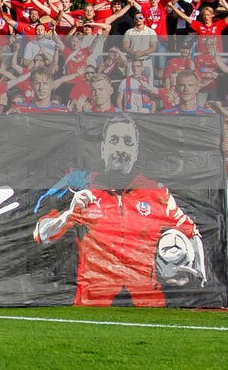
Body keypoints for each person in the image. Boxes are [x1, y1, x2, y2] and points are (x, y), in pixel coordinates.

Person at [32, 117, 205, 307]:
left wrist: (200, 271)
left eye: (127, 142)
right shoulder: (82, 188)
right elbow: (40, 233)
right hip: (95, 298)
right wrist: (67, 215)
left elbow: (191, 231)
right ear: (103, 148)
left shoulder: (156, 193)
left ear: (135, 151)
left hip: (147, 300)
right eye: (114, 141)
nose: (120, 149)